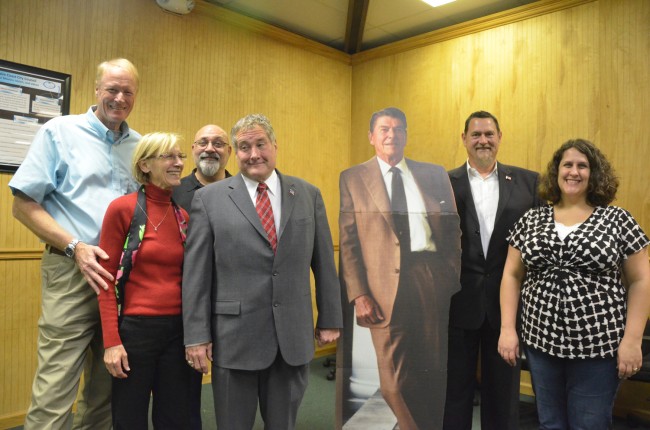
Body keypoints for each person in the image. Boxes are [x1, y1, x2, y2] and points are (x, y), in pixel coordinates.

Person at [182, 113, 343, 429]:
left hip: (292, 338)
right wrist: (196, 336)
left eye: (260, 144)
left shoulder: (308, 194)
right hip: (234, 338)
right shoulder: (209, 199)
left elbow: (324, 262)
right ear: (235, 152)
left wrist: (330, 318)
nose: (253, 154)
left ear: (275, 146)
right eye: (244, 147)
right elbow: (196, 275)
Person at [8, 58, 140, 429]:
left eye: (127, 91)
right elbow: (23, 205)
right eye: (111, 89)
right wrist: (75, 247)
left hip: (122, 279)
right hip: (72, 269)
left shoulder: (140, 146)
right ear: (96, 89)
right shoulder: (59, 132)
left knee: (108, 384)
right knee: (56, 385)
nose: (118, 97)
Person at [498, 139, 650, 430]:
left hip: (598, 348)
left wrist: (632, 340)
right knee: (550, 423)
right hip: (541, 343)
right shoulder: (532, 219)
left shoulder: (617, 220)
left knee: (588, 424)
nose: (574, 171)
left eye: (583, 165)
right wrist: (507, 329)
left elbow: (641, 280)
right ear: (556, 172)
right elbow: (511, 275)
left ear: (594, 174)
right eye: (567, 164)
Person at [339, 107, 461, 430]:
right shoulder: (352, 178)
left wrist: (450, 276)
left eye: (398, 129)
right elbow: (348, 242)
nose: (391, 135)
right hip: (381, 287)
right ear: (371, 137)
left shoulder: (434, 174)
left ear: (406, 135)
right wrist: (359, 294)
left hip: (430, 277)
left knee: (431, 371)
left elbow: (452, 229)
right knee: (393, 379)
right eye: (384, 129)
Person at [97, 132, 202, 428]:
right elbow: (105, 281)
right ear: (145, 165)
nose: (179, 163)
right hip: (135, 333)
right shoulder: (122, 209)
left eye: (180, 156)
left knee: (175, 419)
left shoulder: (182, 216)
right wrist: (112, 342)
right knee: (129, 418)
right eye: (169, 156)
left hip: (177, 332)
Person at [444, 111, 540, 430]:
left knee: (503, 395)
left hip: (508, 308)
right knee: (454, 393)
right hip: (457, 304)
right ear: (464, 139)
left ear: (500, 137)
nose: (483, 140)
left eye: (489, 134)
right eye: (475, 134)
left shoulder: (530, 182)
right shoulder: (443, 183)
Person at [172, 124, 232, 212]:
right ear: (193, 149)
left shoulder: (243, 192)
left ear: (229, 151)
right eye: (203, 143)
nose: (209, 149)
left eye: (218, 144)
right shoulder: (173, 193)